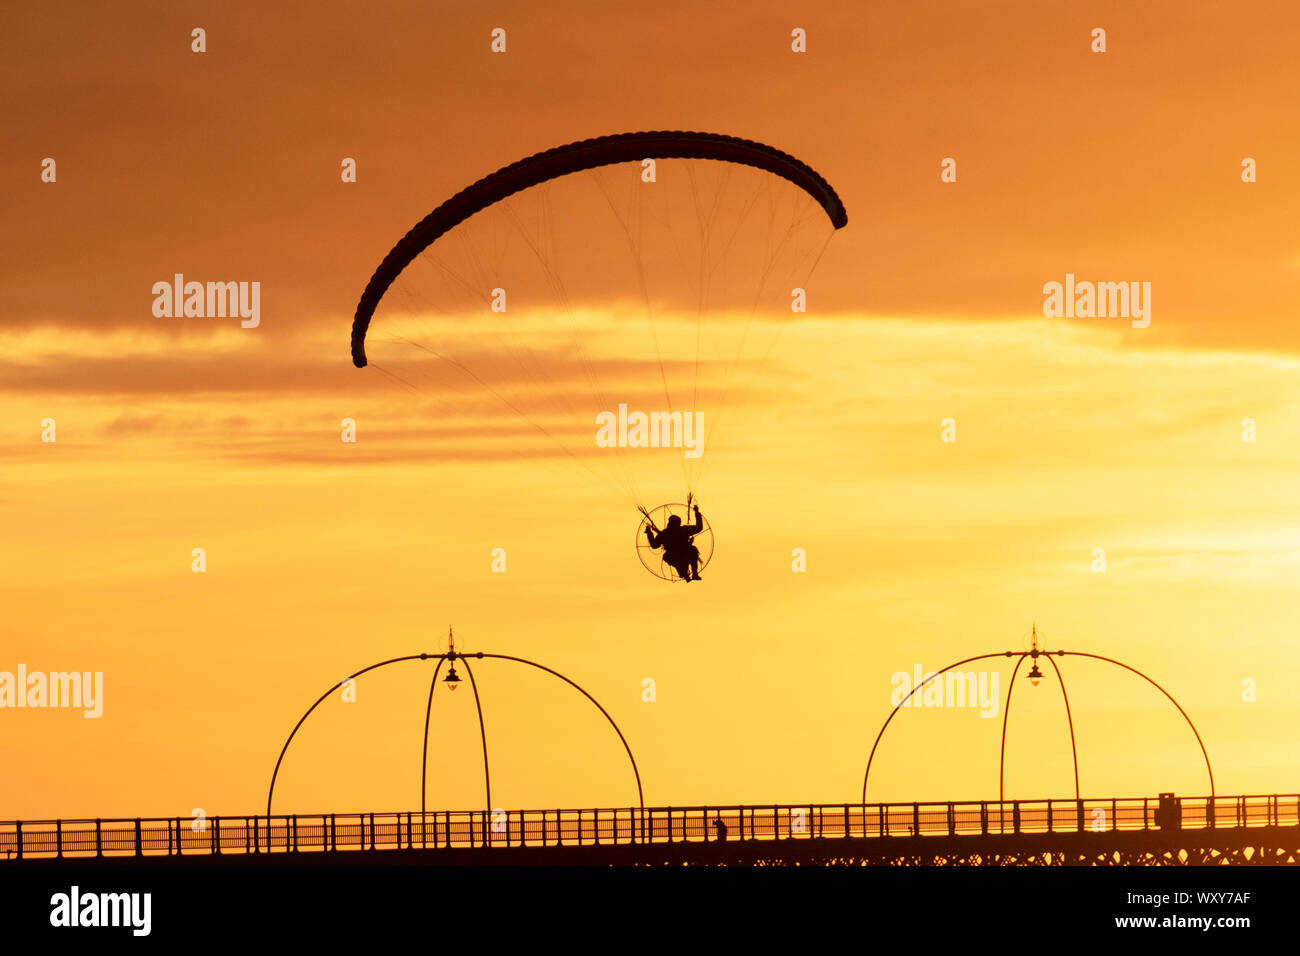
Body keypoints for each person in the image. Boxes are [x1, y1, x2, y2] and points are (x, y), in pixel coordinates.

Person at [644, 505, 704, 581]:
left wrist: (649, 533)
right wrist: (697, 513)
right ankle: (693, 573)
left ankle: (687, 573)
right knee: (692, 551)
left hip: (674, 556)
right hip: (683, 554)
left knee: (687, 554)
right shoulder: (684, 530)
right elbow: (699, 528)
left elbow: (654, 545)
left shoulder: (665, 533)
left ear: (669, 523)